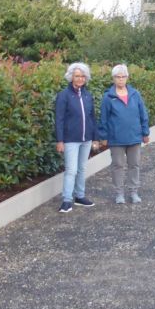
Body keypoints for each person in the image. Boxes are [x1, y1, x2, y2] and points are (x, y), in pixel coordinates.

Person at [98, 64, 150, 204]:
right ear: (113, 78)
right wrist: (103, 136)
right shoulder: (108, 97)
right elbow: (103, 118)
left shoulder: (135, 94)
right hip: (116, 139)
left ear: (127, 77)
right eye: (117, 77)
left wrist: (145, 132)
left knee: (134, 165)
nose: (120, 79)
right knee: (118, 166)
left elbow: (142, 114)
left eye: (123, 76)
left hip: (134, 137)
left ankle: (133, 192)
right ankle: (119, 193)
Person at [54, 62, 100, 213]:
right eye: (77, 76)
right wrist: (60, 140)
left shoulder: (87, 95)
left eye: (82, 76)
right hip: (70, 139)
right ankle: (67, 200)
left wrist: (95, 138)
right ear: (71, 77)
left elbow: (92, 117)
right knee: (71, 170)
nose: (80, 79)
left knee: (81, 169)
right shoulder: (64, 95)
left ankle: (80, 196)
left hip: (86, 139)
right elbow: (59, 119)